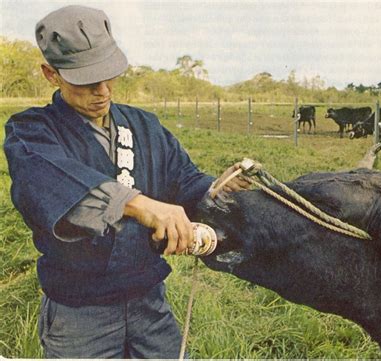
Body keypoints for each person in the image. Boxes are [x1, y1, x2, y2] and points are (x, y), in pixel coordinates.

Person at [4, 5, 249, 358]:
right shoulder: (32, 132)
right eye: (86, 81)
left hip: (149, 304)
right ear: (50, 74)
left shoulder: (144, 125)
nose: (102, 91)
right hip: (79, 314)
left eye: (109, 76)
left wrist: (217, 188)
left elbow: (185, 180)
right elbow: (48, 184)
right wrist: (141, 206)